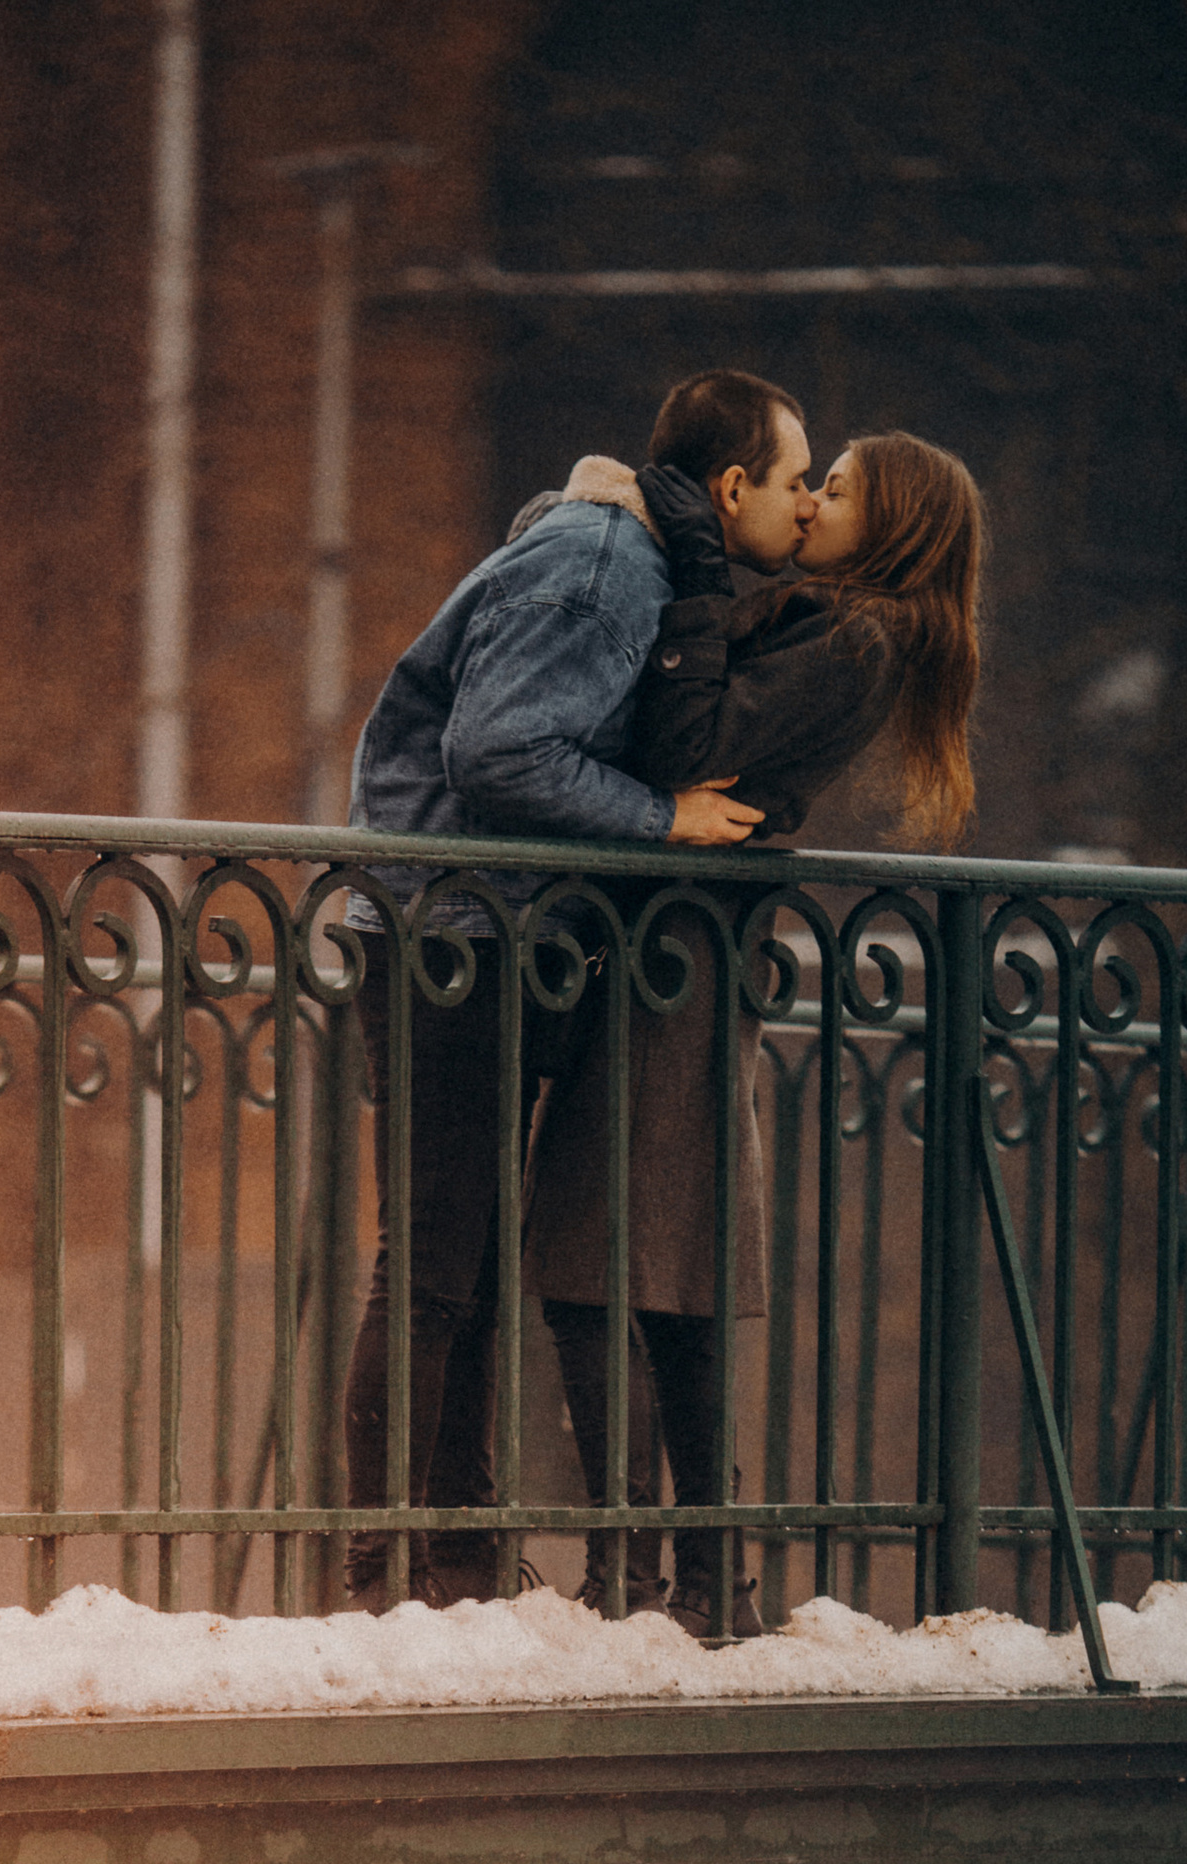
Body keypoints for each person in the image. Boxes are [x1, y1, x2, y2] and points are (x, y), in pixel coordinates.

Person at [335, 372, 810, 1608]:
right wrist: (661, 818)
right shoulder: (605, 569)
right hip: (449, 934)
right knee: (433, 1266)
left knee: (462, 1266)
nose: (808, 506)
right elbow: (495, 750)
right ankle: (380, 1574)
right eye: (797, 481)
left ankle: (448, 1561)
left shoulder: (625, 557)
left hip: (475, 930)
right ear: (732, 487)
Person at [525, 428, 985, 1637]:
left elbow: (688, 749)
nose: (813, 503)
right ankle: (700, 1580)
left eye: (836, 490)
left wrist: (694, 580)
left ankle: (643, 1576)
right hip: (674, 948)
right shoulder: (829, 621)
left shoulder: (861, 636)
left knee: (594, 1258)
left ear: (893, 524)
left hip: (677, 953)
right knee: (660, 1267)